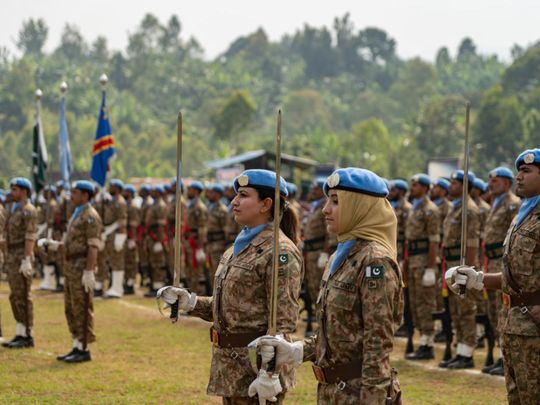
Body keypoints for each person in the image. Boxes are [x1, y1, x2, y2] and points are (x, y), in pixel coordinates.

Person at [256, 167, 403, 404]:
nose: (325, 209)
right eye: (327, 201)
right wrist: (298, 350)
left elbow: (378, 344)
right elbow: (337, 332)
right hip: (333, 391)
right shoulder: (341, 257)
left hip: (360, 393)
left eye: (336, 201)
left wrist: (373, 398)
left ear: (360, 206)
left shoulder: (374, 261)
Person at [158, 169, 303, 405]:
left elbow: (282, 321)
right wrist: (191, 302)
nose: (234, 201)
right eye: (236, 195)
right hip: (232, 366)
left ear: (266, 204)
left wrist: (269, 373)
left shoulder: (280, 251)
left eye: (244, 195)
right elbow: (230, 305)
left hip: (256, 368)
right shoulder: (239, 245)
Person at [446, 149, 540, 404]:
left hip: (534, 327)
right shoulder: (523, 216)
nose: (519, 177)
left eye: (527, 171)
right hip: (514, 325)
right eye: (519, 171)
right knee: (517, 397)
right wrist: (478, 279)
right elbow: (515, 276)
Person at [39, 181, 102, 362]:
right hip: (71, 266)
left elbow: (92, 247)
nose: (71, 196)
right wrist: (53, 245)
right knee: (71, 307)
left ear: (85, 195)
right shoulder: (77, 214)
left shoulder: (90, 216)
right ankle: (76, 345)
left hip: (82, 267)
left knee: (81, 307)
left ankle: (84, 348)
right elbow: (70, 245)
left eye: (74, 193)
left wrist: (89, 271)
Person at [480, 167, 521, 376]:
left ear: (506, 183)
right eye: (490, 180)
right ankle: (500, 355)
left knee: (503, 309)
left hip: (502, 261)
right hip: (490, 260)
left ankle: (506, 358)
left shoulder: (512, 204)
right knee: (493, 310)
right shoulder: (494, 204)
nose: (491, 184)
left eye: (496, 181)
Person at [439, 170, 480, 369]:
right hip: (452, 264)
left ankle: (467, 354)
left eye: (455, 183)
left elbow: (472, 242)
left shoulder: (469, 209)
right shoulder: (455, 207)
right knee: (456, 310)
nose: (451, 186)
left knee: (466, 309)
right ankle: (460, 350)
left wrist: (468, 269)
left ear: (465, 186)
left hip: (463, 265)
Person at [404, 174, 440, 360]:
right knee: (415, 303)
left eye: (416, 185)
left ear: (425, 188)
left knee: (425, 303)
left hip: (424, 261)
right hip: (413, 262)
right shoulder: (414, 208)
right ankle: (423, 340)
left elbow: (434, 241)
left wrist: (430, 268)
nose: (413, 187)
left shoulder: (430, 210)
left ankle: (428, 343)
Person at [2, 178, 37, 349]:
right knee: (15, 295)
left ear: (24, 191)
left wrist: (27, 259)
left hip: (21, 256)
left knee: (23, 295)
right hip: (13, 256)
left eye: (15, 189)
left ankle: (28, 334)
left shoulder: (28, 210)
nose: (12, 192)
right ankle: (20, 331)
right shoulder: (15, 209)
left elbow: (30, 236)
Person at [144, 185, 169, 296]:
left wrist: (159, 241)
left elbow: (160, 225)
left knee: (158, 263)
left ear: (159, 193)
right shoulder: (154, 204)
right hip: (152, 237)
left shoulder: (160, 205)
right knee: (153, 262)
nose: (151, 192)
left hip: (157, 237)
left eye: (154, 191)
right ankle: (155, 285)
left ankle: (159, 287)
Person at [185, 181, 208, 294]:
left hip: (195, 243)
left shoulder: (199, 207)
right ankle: (191, 300)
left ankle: (197, 300)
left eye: (190, 189)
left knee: (197, 273)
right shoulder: (191, 205)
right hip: (190, 242)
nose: (188, 191)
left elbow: (202, 228)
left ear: (196, 191)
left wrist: (200, 248)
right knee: (190, 272)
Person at [205, 184, 228, 279]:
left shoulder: (222, 210)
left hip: (218, 246)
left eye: (212, 192)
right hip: (210, 244)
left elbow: (226, 230)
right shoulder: (209, 207)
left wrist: (225, 248)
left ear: (218, 194)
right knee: (210, 272)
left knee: (217, 272)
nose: (209, 194)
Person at [123, 184, 141, 294]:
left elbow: (133, 225)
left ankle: (130, 284)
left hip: (130, 236)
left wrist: (132, 239)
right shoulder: (127, 205)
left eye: (125, 191)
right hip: (127, 236)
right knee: (127, 260)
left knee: (130, 261)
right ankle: (127, 282)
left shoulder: (132, 206)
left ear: (129, 193)